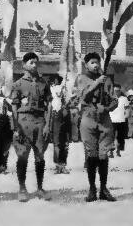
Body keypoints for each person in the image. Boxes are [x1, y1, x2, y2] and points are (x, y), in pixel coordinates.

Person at [72, 52, 117, 202]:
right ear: (86, 65)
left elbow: (114, 100)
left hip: (104, 119)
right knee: (91, 155)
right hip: (88, 118)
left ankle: (103, 188)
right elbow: (82, 96)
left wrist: (107, 108)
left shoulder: (107, 80)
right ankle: (92, 188)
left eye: (97, 62)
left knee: (103, 155)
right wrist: (96, 83)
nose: (96, 65)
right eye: (92, 62)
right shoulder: (81, 79)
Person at [10, 52, 52, 202]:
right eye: (31, 62)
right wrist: (16, 128)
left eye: (36, 62)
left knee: (40, 156)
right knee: (22, 156)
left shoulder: (43, 83)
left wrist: (47, 125)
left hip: (40, 122)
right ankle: (22, 188)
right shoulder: (18, 84)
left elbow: (49, 105)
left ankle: (40, 188)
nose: (34, 65)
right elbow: (14, 107)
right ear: (24, 65)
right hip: (23, 121)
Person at [49, 75, 71, 174]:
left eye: (58, 80)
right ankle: (58, 165)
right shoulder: (50, 89)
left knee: (65, 142)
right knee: (57, 142)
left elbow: (70, 101)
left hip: (65, 115)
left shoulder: (65, 89)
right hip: (56, 115)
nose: (56, 81)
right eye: (55, 80)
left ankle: (63, 164)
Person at [109, 84, 128, 157]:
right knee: (111, 137)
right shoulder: (109, 98)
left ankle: (118, 151)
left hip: (121, 120)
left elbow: (127, 108)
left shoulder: (124, 98)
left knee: (120, 137)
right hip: (111, 120)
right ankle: (110, 152)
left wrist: (127, 115)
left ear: (120, 90)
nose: (117, 92)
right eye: (115, 91)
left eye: (118, 90)